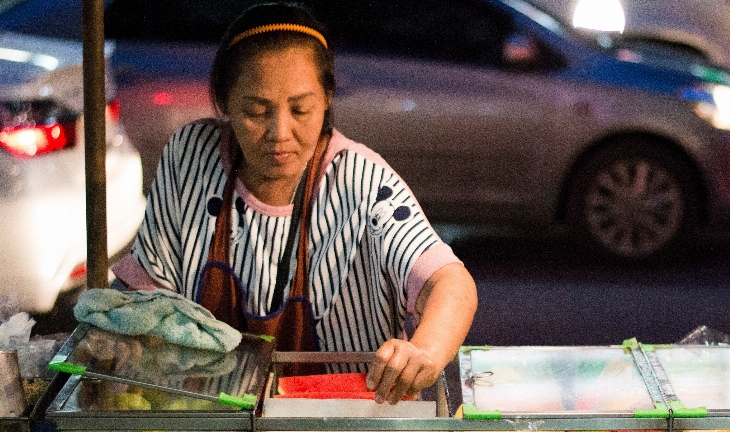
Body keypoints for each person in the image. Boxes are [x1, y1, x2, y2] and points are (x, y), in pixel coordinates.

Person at [111, 2, 477, 405]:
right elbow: (146, 296)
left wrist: (422, 352)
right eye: (255, 111)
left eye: (300, 109)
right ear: (224, 102)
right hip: (215, 420)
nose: (279, 132)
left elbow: (449, 283)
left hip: (349, 430)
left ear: (327, 99)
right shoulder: (191, 156)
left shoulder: (362, 181)